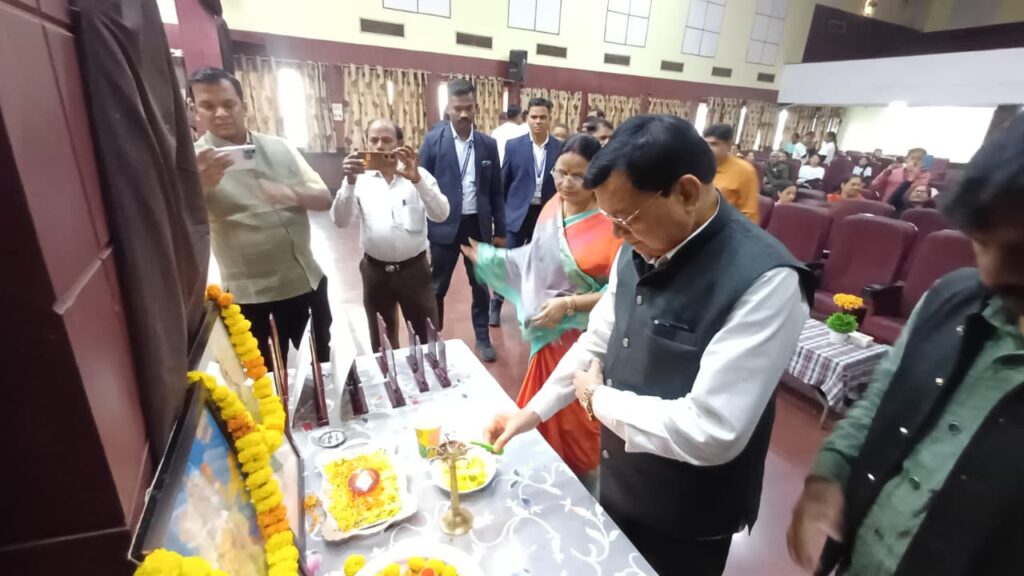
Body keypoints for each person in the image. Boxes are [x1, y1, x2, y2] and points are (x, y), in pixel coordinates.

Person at [483, 114, 811, 576]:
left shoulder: (767, 281)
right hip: (621, 479)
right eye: (611, 219)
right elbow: (598, 339)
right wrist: (532, 412)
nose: (617, 235)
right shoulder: (637, 246)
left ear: (686, 193)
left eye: (626, 219)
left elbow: (712, 430)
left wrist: (597, 399)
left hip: (686, 513)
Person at [787, 113, 1024, 576]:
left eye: (1020, 252)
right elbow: (882, 399)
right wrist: (831, 471)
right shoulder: (952, 296)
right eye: (982, 243)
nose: (993, 273)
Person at [463, 134, 621, 486]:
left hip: (586, 339)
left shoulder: (613, 224)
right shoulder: (553, 207)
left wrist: (569, 304)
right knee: (543, 408)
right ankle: (546, 476)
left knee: (578, 418)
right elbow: (532, 260)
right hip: (548, 338)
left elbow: (618, 292)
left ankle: (581, 484)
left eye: (578, 176)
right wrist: (492, 259)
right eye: (560, 173)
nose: (566, 183)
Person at [191, 67, 333, 367]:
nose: (220, 113)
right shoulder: (194, 162)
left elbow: (323, 199)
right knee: (264, 377)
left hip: (306, 283)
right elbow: (179, 228)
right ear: (195, 110)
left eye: (228, 104)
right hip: (249, 298)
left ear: (243, 106)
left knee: (320, 365)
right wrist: (197, 187)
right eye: (208, 106)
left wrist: (291, 194)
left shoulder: (279, 147)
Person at [333, 119, 448, 352]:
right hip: (375, 272)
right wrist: (349, 182)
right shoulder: (359, 180)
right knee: (381, 342)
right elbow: (341, 221)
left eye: (386, 140)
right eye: (373, 140)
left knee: (427, 337)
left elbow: (441, 214)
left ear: (399, 143)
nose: (379, 146)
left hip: (414, 271)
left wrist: (417, 181)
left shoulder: (419, 175)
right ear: (366, 142)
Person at [419, 78, 506, 363]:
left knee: (480, 285)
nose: (463, 114)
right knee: (437, 287)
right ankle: (433, 340)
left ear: (476, 107)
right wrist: (421, 229)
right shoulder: (433, 141)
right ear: (448, 108)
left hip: (476, 226)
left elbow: (496, 191)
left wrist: (500, 230)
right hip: (442, 225)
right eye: (458, 108)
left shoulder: (487, 145)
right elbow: (421, 185)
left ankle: (483, 337)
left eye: (468, 107)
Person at [491, 97, 562, 326]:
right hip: (517, 213)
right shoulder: (514, 146)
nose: (538, 121)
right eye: (534, 117)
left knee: (538, 265)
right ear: (526, 118)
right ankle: (496, 304)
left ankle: (530, 309)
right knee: (508, 262)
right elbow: (503, 183)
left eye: (543, 117)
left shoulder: (560, 148)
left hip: (544, 215)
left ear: (550, 119)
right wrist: (500, 218)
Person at [703, 123, 760, 224]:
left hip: (727, 227)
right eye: (705, 144)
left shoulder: (745, 171)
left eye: (714, 144)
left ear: (728, 145)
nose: (707, 148)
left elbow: (750, 216)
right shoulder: (698, 165)